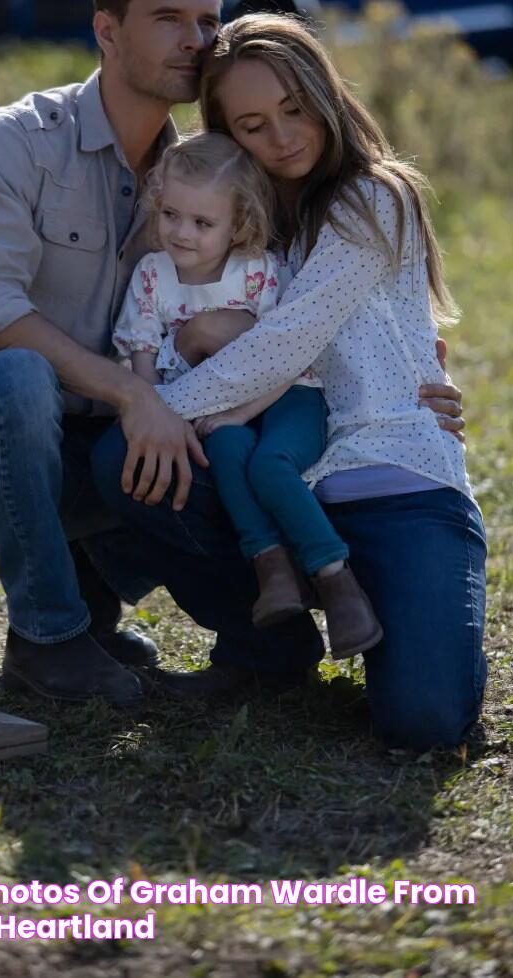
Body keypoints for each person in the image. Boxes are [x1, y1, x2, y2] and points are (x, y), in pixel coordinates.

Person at [0, 0, 462, 717]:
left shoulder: (207, 178)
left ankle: (255, 642)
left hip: (106, 452)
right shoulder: (17, 140)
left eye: (207, 21)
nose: (196, 41)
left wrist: (421, 377)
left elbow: (313, 310)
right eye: (169, 19)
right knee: (21, 376)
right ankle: (49, 637)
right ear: (107, 28)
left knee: (211, 449)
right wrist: (137, 397)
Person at [91, 13, 485, 750]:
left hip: (394, 483)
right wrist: (147, 397)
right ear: (228, 138)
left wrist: (153, 407)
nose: (283, 137)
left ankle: (396, 608)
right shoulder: (236, 222)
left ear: (324, 94)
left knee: (424, 725)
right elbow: (171, 304)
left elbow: (287, 340)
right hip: (283, 475)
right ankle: (267, 648)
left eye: (294, 108)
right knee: (125, 460)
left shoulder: (374, 198)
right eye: (252, 124)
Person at [112, 132, 382, 657]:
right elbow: (142, 360)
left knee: (270, 464)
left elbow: (286, 353)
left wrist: (241, 408)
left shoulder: (257, 272)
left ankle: (336, 581)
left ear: (238, 224)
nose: (181, 233)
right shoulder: (152, 277)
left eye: (202, 223)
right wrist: (154, 416)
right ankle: (272, 570)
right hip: (214, 410)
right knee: (231, 451)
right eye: (170, 214)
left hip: (288, 396)